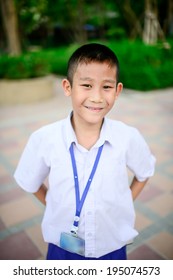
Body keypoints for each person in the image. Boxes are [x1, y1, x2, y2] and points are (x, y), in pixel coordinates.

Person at [14, 43, 156, 260]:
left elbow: (144, 172)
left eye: (106, 87)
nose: (97, 97)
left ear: (117, 90)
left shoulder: (128, 137)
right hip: (63, 250)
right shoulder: (45, 139)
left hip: (112, 246)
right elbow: (31, 182)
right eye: (87, 85)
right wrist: (54, 203)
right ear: (68, 87)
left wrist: (124, 200)